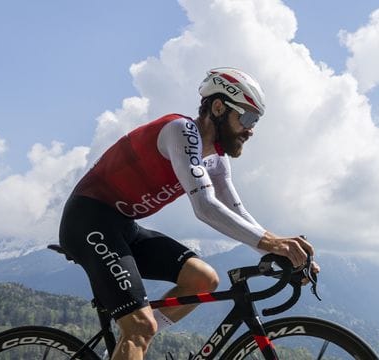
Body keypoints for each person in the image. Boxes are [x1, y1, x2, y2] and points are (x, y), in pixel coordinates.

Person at [58, 67, 317, 360]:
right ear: (218, 108)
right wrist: (275, 244)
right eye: (246, 117)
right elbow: (205, 207)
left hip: (121, 226)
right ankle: (135, 335)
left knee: (203, 279)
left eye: (255, 120)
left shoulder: (215, 160)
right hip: (87, 221)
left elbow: (235, 210)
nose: (251, 128)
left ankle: (124, 348)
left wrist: (280, 249)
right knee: (140, 326)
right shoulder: (180, 130)